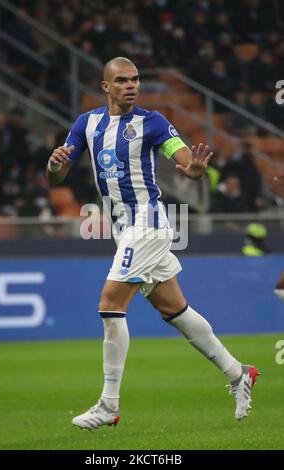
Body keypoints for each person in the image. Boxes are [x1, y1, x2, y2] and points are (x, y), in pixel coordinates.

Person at [46, 57, 259, 430]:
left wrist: (193, 169)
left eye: (135, 79)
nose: (131, 85)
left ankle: (109, 404)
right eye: (123, 80)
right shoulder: (87, 123)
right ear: (106, 86)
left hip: (147, 222)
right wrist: (54, 165)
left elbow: (182, 155)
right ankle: (238, 372)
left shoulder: (152, 122)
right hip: (122, 227)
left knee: (110, 304)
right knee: (174, 309)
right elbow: (57, 174)